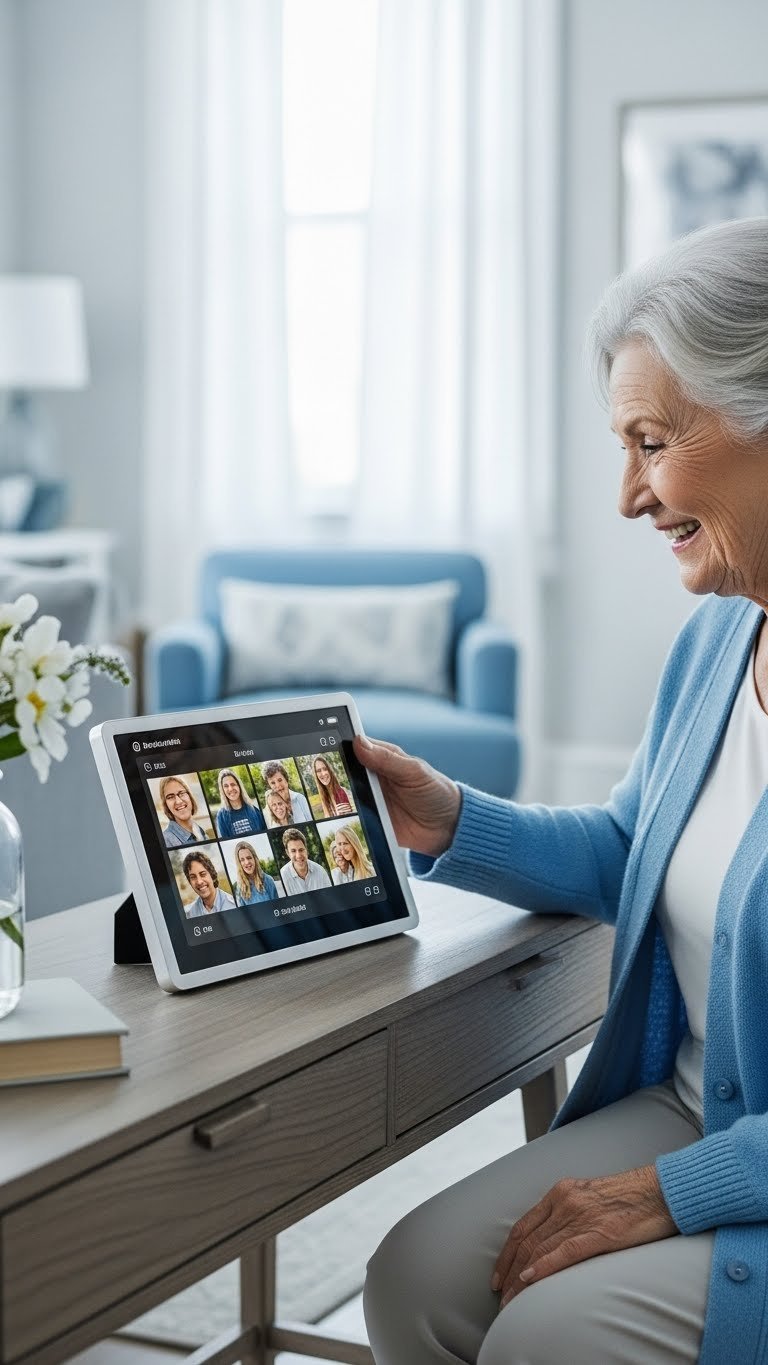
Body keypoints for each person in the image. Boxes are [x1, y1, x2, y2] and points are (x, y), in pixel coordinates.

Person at [356, 218, 768, 1365]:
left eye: (651, 441)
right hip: (695, 1103)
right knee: (418, 1280)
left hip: (744, 1160)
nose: (631, 496)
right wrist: (450, 818)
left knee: (550, 1333)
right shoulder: (722, 639)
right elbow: (639, 849)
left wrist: (674, 1191)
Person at [159, 775, 210, 848]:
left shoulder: (200, 831)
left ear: (190, 796)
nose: (178, 801)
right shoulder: (166, 840)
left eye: (182, 793)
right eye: (170, 797)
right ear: (166, 805)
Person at [215, 769, 266, 838]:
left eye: (233, 784)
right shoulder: (221, 816)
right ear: (222, 790)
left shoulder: (254, 810)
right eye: (226, 786)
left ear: (239, 786)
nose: (230, 789)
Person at [182, 850, 235, 917]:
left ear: (212, 875)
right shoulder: (188, 914)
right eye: (193, 877)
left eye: (203, 874)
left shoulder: (234, 904)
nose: (199, 881)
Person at [280, 827, 331, 894]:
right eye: (293, 851)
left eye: (301, 850)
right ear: (287, 853)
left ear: (306, 849)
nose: (298, 856)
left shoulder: (320, 871)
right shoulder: (283, 876)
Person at [233, 841, 280, 905]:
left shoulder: (268, 880)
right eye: (242, 860)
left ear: (255, 858)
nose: (247, 862)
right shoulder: (240, 889)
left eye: (249, 858)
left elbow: (278, 906)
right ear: (239, 863)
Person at [312, 754, 354, 819]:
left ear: (329, 770)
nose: (323, 773)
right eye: (318, 771)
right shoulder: (324, 798)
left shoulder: (344, 792)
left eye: (325, 769)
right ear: (316, 775)